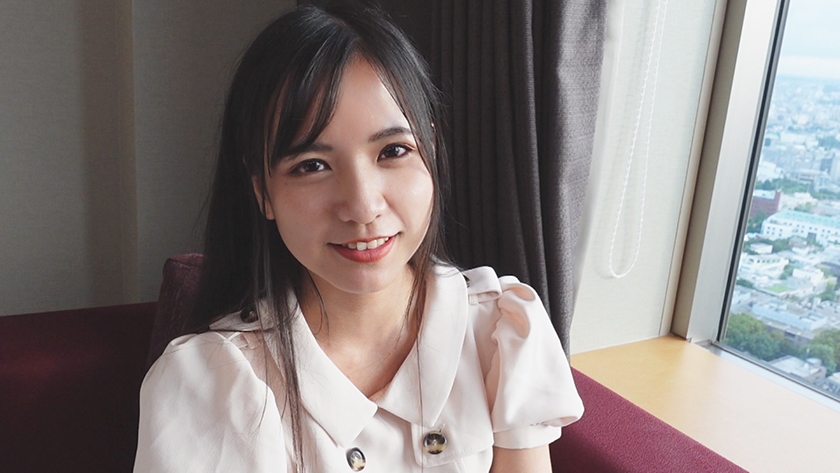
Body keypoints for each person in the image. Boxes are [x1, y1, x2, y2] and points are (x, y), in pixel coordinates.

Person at [134, 3, 582, 472]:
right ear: (262, 191)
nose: (364, 206)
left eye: (393, 151)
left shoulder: (501, 331)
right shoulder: (214, 384)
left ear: (430, 151)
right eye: (312, 165)